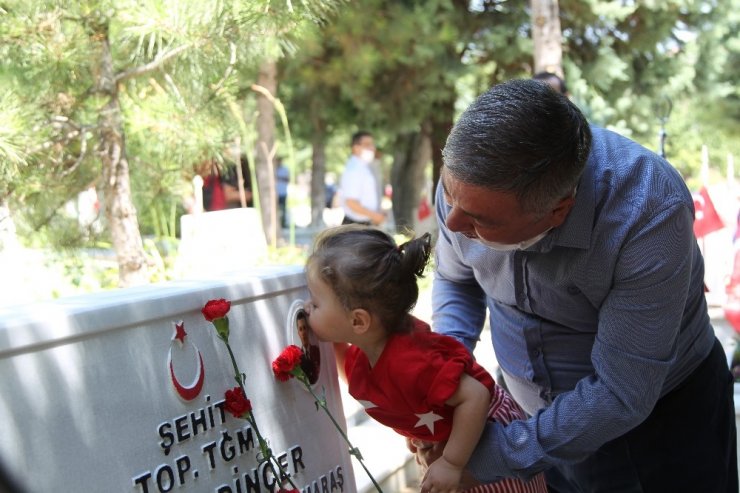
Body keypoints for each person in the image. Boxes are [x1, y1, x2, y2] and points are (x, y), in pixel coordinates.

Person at [420, 78, 737, 492]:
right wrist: (445, 380)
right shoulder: (469, 186)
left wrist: (493, 456)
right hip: (531, 427)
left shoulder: (647, 212)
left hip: (659, 429)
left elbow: (621, 393)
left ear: (558, 210)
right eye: (449, 196)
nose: (454, 224)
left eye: (482, 221)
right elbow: (456, 280)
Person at [303, 225, 547, 493]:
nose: (306, 308)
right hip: (449, 439)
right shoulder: (371, 347)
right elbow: (353, 373)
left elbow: (476, 396)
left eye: (315, 304)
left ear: (358, 320)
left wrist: (452, 463)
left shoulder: (412, 361)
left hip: (481, 436)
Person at [338, 131, 386, 226]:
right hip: (355, 225)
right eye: (367, 144)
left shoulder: (363, 167)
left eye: (372, 144)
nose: (372, 148)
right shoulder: (354, 170)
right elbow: (351, 202)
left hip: (362, 224)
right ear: (356, 147)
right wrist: (375, 216)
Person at [296, 310, 320, 384]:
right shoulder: (297, 357)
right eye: (300, 329)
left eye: (304, 328)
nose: (303, 332)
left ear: (308, 330)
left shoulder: (317, 351)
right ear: (298, 333)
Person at [275, 157, 290, 228]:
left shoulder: (285, 169)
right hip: (275, 193)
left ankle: (283, 223)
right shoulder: (273, 169)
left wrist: (279, 178)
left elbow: (287, 179)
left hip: (283, 192)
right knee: (276, 210)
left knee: (283, 209)